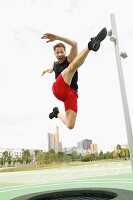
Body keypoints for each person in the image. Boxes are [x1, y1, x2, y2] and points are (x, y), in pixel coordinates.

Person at [41, 27, 107, 129]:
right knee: (71, 68)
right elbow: (50, 69)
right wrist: (46, 70)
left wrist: (57, 37)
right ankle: (91, 45)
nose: (60, 54)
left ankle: (56, 113)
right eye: (57, 53)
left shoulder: (70, 58)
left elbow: (74, 44)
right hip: (58, 90)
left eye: (61, 52)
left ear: (65, 52)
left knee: (70, 125)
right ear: (54, 54)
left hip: (71, 93)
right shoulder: (55, 64)